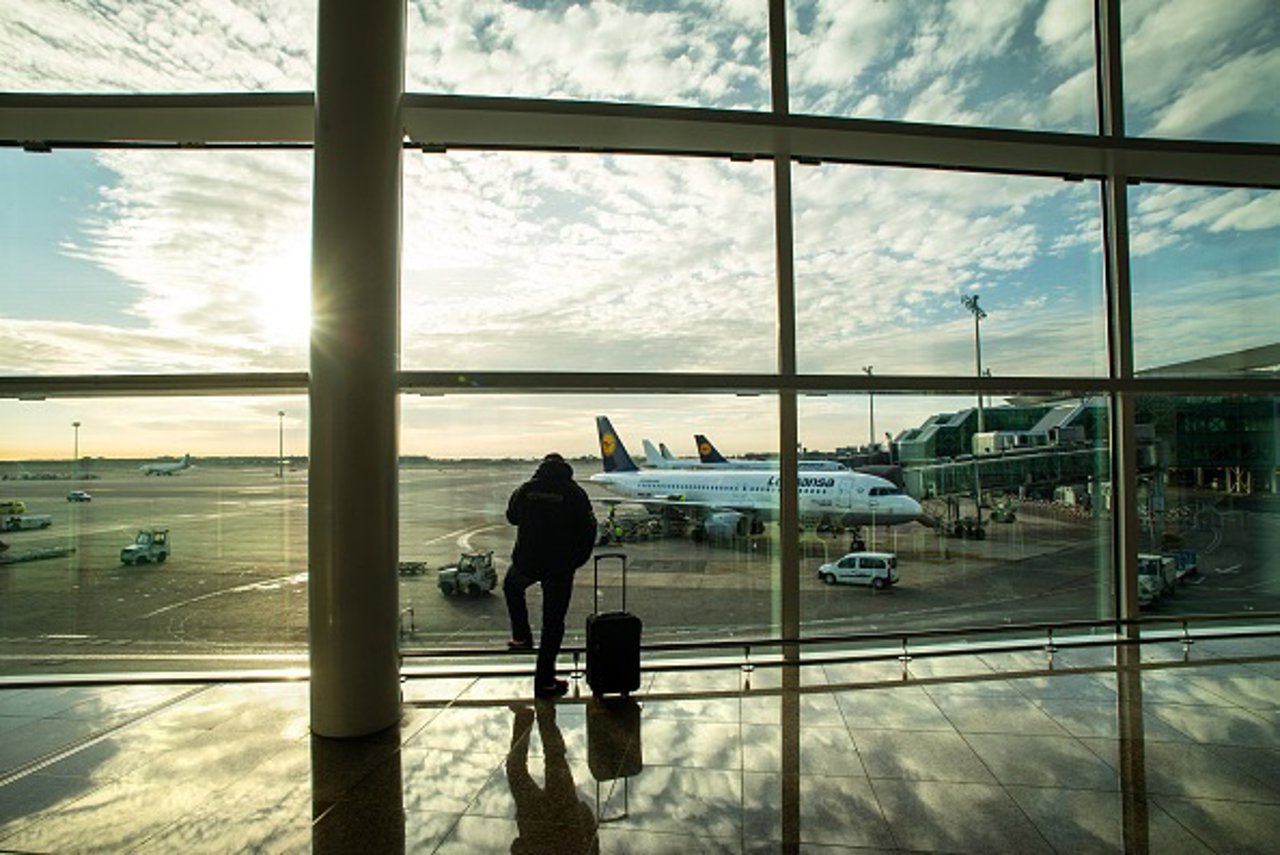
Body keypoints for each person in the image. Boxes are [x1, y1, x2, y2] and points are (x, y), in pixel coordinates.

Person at [504, 452, 597, 699]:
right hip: (559, 567)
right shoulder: (574, 493)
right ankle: (544, 681)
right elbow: (589, 529)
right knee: (553, 624)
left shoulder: (526, 489)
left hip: (528, 561)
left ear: (541, 468)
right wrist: (576, 560)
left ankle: (521, 635)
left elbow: (512, 517)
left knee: (512, 587)